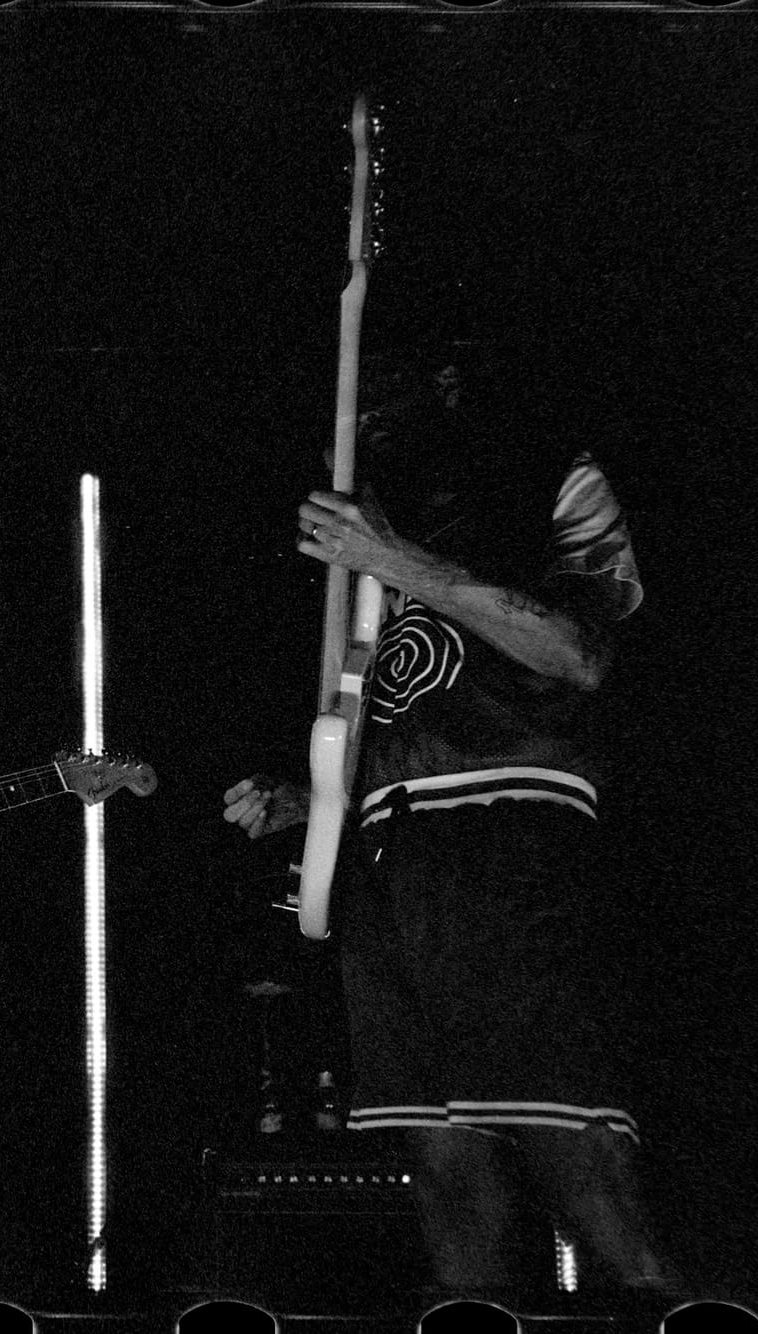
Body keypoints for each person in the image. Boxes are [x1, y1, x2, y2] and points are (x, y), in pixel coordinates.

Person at [223, 354, 679, 1297]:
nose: (369, 423)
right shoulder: (364, 515)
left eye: (395, 397)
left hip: (515, 837)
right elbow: (405, 700)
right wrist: (319, 805)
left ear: (452, 385)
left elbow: (580, 653)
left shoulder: (547, 472)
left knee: (577, 1160)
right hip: (395, 853)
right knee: (442, 1172)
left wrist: (391, 557)